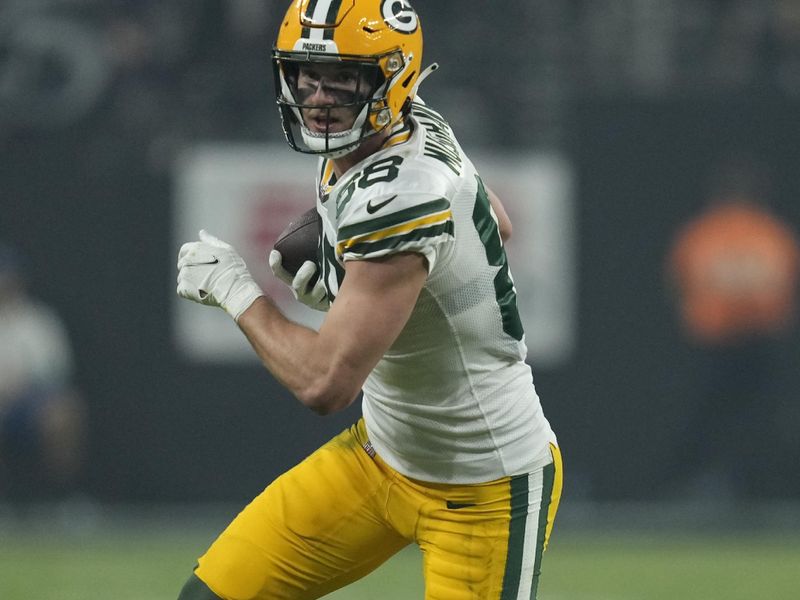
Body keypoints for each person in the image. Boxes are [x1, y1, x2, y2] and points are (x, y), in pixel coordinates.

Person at [175, 2, 562, 598]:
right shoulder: (415, 122)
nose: (319, 96)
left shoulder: (403, 195)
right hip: (381, 454)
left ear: (392, 76)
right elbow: (497, 225)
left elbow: (324, 385)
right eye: (308, 74)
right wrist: (366, 288)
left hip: (485, 487)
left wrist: (235, 290)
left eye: (342, 78)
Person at [666, 160, 800, 500]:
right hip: (755, 345)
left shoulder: (705, 232)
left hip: (722, 344)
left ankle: (711, 489)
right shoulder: (769, 232)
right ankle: (750, 491)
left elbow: (681, 286)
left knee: (716, 421)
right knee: (756, 421)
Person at [0, 243, 85, 504]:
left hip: (28, 404)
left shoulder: (37, 320)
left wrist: (20, 388)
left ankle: (59, 499)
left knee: (63, 412)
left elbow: (55, 373)